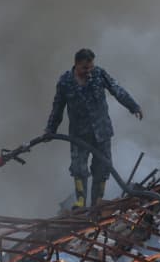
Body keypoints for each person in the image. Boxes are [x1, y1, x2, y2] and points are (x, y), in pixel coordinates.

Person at [44, 47, 142, 207]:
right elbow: (57, 108)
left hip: (101, 131)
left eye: (91, 67)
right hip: (79, 134)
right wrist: (50, 130)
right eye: (85, 68)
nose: (89, 71)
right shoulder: (65, 82)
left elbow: (117, 91)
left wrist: (134, 107)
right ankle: (81, 201)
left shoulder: (99, 75)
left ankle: (97, 203)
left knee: (102, 168)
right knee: (78, 168)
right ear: (76, 65)